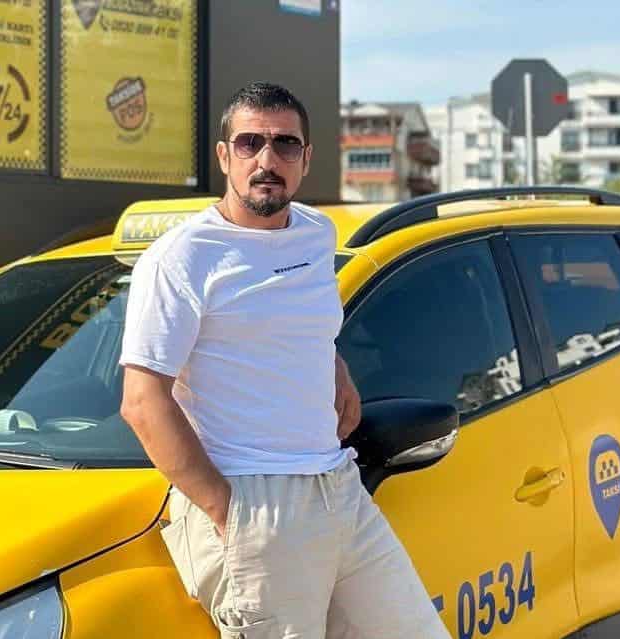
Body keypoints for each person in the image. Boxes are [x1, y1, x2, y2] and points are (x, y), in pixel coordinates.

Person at [119, 81, 450, 639]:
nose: (267, 160)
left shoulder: (316, 234)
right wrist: (227, 511)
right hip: (253, 501)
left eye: (285, 144)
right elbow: (141, 400)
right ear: (224, 156)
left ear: (306, 158)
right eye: (249, 143)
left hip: (338, 485)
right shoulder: (182, 258)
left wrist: (334, 366)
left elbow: (299, 320)